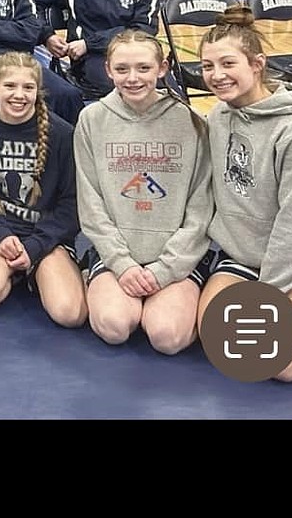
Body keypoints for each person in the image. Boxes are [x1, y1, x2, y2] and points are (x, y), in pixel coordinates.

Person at [195, 5, 292, 382]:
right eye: (208, 67)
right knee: (218, 342)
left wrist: (267, 297)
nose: (217, 76)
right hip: (242, 256)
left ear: (257, 64)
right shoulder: (219, 118)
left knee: (284, 364)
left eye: (228, 64)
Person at [74, 30, 213, 354]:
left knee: (166, 337)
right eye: (122, 69)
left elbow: (201, 208)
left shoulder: (191, 121)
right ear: (108, 70)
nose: (133, 78)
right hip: (117, 256)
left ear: (162, 68)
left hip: (176, 258)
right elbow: (90, 201)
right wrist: (122, 264)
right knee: (115, 326)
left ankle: (186, 293)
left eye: (143, 68)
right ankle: (95, 275)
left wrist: (165, 270)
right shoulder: (91, 119)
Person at [0, 52, 87, 327]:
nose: (19, 95)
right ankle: (14, 272)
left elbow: (71, 204)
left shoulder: (62, 133)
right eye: (10, 86)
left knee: (70, 315)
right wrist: (0, 234)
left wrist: (35, 247)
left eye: (28, 87)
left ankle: (35, 270)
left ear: (38, 91)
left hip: (46, 236)